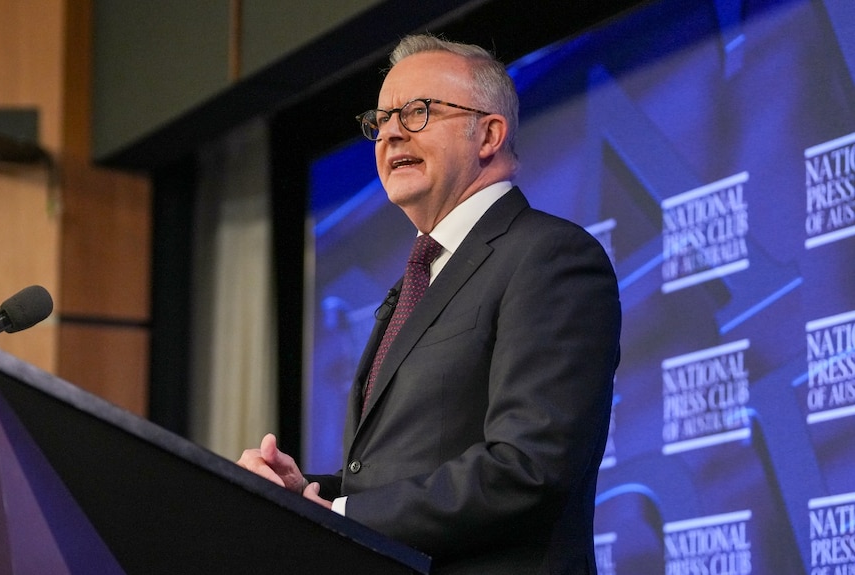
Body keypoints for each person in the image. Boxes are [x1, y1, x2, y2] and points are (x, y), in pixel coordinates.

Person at [238, 33, 621, 575]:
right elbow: (397, 470)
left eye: (418, 112)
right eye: (382, 118)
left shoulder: (549, 257)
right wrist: (309, 493)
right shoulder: (424, 273)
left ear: (489, 134)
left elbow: (528, 466)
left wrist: (345, 514)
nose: (391, 132)